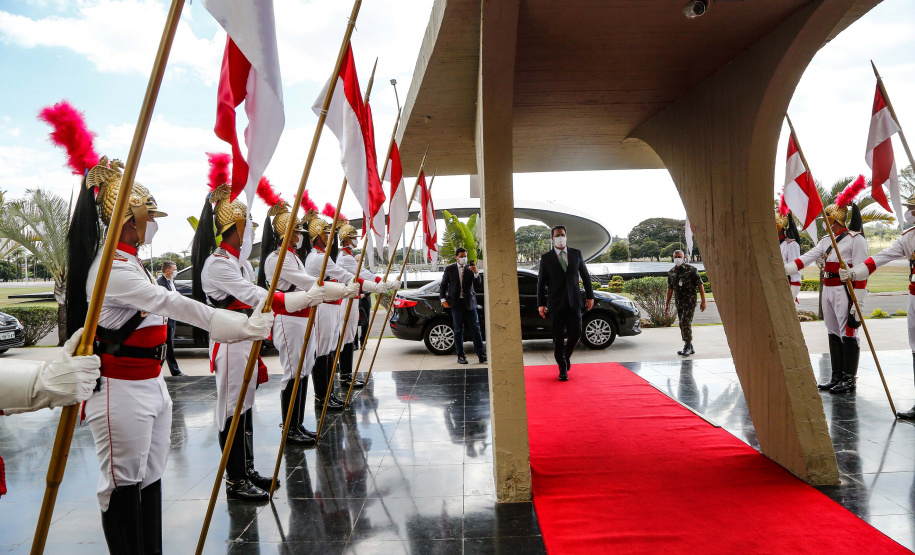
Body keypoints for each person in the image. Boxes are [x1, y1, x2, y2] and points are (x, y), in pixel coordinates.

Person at [67, 157, 274, 553]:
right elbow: (175, 304)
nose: (153, 222)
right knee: (122, 486)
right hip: (120, 387)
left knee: (150, 478)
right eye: (149, 215)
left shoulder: (131, 262)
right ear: (131, 219)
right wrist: (239, 326)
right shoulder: (113, 268)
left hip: (149, 382)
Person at [192, 183, 327, 502]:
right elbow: (254, 296)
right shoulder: (218, 263)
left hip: (245, 339)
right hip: (230, 343)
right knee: (231, 410)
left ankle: (247, 468)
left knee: (246, 407)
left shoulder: (239, 261)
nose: (250, 233)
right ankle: (235, 478)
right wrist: (296, 300)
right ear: (233, 228)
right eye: (245, 227)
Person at [258, 200, 353, 447]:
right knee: (292, 373)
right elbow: (308, 282)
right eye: (295, 232)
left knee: (302, 371)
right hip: (288, 320)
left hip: (301, 319)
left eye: (301, 233)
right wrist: (344, 289)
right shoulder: (277, 259)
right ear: (284, 234)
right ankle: (289, 428)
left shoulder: (292, 257)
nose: (299, 237)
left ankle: (297, 423)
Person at [785, 176, 868, 394]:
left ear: (835, 220)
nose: (824, 222)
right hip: (828, 289)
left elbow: (862, 273)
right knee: (832, 331)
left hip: (844, 290)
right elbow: (806, 259)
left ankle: (849, 379)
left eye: (826, 218)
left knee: (848, 332)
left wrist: (856, 306)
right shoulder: (825, 241)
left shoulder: (855, 239)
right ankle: (836, 375)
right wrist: (782, 268)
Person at [840, 193, 915, 416]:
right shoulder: (908, 237)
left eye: (913, 207)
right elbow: (881, 257)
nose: (911, 212)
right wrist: (855, 272)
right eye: (910, 207)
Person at [303, 207, 381, 410]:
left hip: (332, 305)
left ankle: (328, 394)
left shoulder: (322, 256)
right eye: (326, 233)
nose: (331, 237)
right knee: (323, 353)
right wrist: (377, 286)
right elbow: (349, 276)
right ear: (317, 236)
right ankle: (323, 397)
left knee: (330, 351)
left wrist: (377, 283)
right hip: (324, 307)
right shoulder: (320, 258)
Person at [337, 221, 399, 384]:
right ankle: (344, 375)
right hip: (347, 299)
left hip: (352, 298)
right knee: (347, 337)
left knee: (349, 337)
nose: (355, 240)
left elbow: (364, 274)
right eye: (352, 237)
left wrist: (384, 282)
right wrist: (385, 283)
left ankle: (346, 374)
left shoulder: (347, 256)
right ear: (345, 240)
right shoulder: (345, 258)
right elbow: (363, 274)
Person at [537, 226, 594, 381]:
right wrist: (541, 304)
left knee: (576, 334)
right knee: (558, 337)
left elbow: (585, 276)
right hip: (555, 304)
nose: (560, 237)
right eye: (557, 235)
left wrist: (590, 296)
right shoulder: (546, 258)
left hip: (574, 302)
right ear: (552, 238)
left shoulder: (576, 254)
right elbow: (541, 283)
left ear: (566, 236)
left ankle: (565, 356)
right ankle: (562, 368)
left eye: (563, 235)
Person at [441, 247, 486, 365]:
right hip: (456, 304)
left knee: (475, 329)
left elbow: (478, 284)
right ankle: (460, 355)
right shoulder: (450, 269)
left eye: (465, 256)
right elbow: (443, 285)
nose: (463, 258)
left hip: (470, 303)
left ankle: (481, 354)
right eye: (461, 256)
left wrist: (476, 272)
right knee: (458, 330)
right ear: (456, 257)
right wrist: (443, 299)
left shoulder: (470, 269)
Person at [666, 249, 707, 356]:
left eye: (679, 257)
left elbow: (700, 285)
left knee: (685, 322)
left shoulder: (691, 270)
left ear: (684, 258)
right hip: (679, 302)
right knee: (681, 323)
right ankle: (690, 346)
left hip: (690, 301)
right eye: (675, 257)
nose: (677, 259)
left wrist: (703, 301)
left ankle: (687, 345)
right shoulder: (671, 272)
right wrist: (667, 304)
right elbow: (670, 290)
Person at [156, 261, 184, 376]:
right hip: (166, 318)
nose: (176, 271)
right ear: (168, 271)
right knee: (168, 345)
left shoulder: (172, 282)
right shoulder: (160, 283)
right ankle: (174, 371)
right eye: (175, 269)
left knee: (168, 345)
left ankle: (160, 369)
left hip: (172, 317)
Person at [776, 208, 802, 302]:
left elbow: (796, 274)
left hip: (785, 288)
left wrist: (791, 298)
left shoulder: (791, 245)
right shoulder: (772, 244)